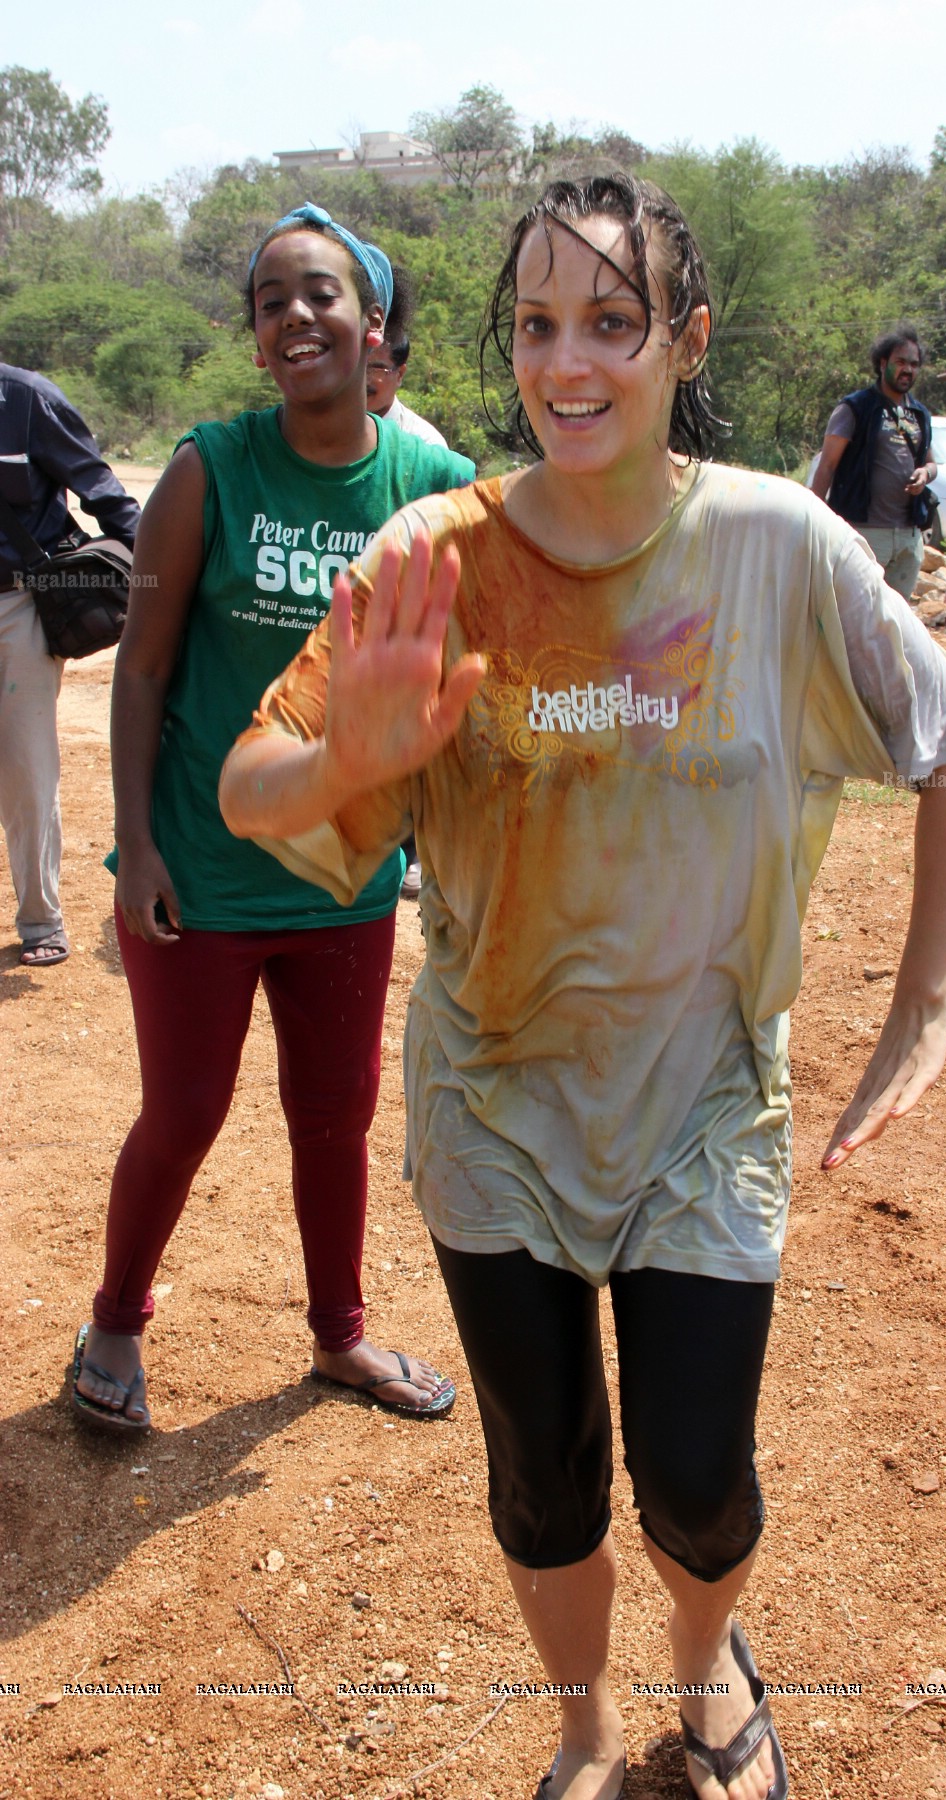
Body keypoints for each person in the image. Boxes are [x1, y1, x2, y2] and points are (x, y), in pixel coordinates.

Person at [220, 176, 946, 1800]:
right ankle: (581, 1726)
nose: (568, 363)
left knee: (696, 1485)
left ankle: (711, 1682)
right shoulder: (437, 552)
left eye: (611, 323)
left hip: (709, 1110)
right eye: (536, 326)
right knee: (542, 1483)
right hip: (495, 1110)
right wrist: (348, 760)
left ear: (682, 340)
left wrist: (925, 1006)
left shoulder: (780, 550)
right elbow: (250, 785)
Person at [70, 203, 475, 1438]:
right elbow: (141, 666)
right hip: (197, 870)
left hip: (344, 883)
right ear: (257, 342)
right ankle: (115, 1322)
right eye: (271, 303)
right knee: (184, 1112)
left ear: (373, 326)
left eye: (322, 296)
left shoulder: (433, 484)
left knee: (336, 1121)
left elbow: (470, 678)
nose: (297, 317)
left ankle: (340, 1338)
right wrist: (135, 845)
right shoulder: (209, 467)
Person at [0, 365, 141, 967]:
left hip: (17, 606)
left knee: (27, 769)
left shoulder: (27, 400)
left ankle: (39, 919)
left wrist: (165, 583)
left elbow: (107, 497)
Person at [364, 263, 450, 897]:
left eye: (381, 372)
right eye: (361, 368)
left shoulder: (424, 447)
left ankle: (414, 847)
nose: (369, 382)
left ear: (400, 369)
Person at [810, 326, 937, 602]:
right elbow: (827, 466)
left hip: (908, 535)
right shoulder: (856, 408)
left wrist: (925, 474)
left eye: (914, 364)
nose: (908, 370)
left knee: (898, 619)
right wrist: (810, 521)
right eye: (901, 362)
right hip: (864, 532)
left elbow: (931, 463)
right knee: (857, 614)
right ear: (883, 363)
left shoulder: (919, 414)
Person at [365, 263, 449, 449]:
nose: (364, 380)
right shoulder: (321, 434)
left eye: (376, 369)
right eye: (357, 368)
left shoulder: (425, 446)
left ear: (400, 374)